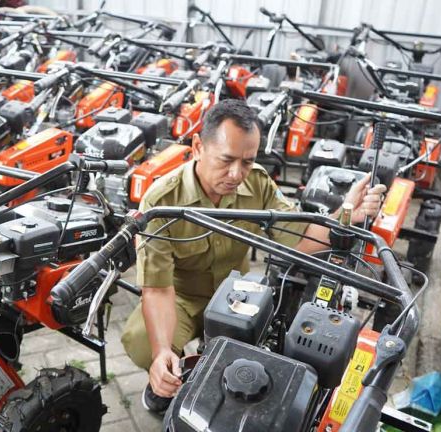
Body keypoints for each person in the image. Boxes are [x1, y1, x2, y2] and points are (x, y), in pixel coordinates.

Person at [119, 99, 387, 414]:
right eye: (227, 160)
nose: (236, 174)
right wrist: (162, 350)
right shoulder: (162, 201)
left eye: (247, 161)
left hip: (235, 293)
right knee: (142, 342)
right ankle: (166, 383)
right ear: (198, 147)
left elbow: (296, 238)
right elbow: (158, 288)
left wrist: (346, 216)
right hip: (182, 296)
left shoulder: (256, 182)